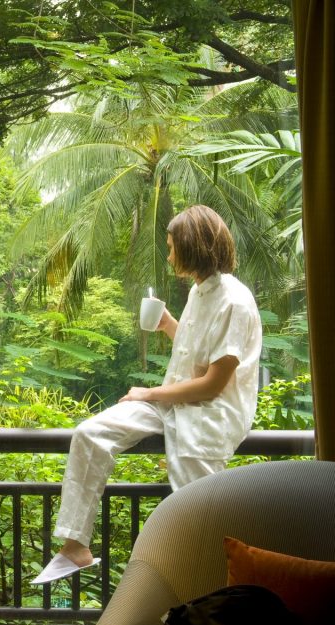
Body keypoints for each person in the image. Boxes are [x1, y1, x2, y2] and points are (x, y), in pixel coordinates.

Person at [32, 205, 262, 585]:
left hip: (211, 411)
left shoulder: (235, 301)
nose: (169, 255)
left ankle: (207, 589)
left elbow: (212, 384)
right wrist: (169, 324)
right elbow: (194, 356)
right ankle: (75, 546)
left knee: (195, 512)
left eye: (172, 247)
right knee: (91, 434)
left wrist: (149, 392)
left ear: (192, 247)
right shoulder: (199, 291)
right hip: (173, 401)